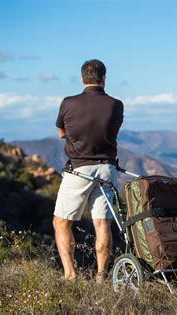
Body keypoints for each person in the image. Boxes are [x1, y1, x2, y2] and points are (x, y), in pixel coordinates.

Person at [53, 59, 124, 282]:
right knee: (102, 223)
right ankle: (101, 276)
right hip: (107, 169)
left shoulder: (68, 103)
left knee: (62, 222)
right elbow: (111, 130)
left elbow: (61, 132)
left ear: (82, 78)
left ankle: (70, 274)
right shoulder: (116, 105)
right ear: (104, 78)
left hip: (78, 169)